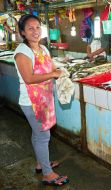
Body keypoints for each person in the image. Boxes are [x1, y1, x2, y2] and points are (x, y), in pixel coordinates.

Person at [14, 14, 69, 186]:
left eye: (38, 27)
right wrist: (53, 74)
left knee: (38, 134)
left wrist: (61, 70)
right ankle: (47, 173)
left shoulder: (43, 49)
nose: (35, 31)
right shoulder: (22, 52)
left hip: (44, 100)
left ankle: (41, 163)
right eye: (30, 28)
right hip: (31, 102)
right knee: (43, 136)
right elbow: (29, 78)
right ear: (23, 32)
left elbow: (52, 67)